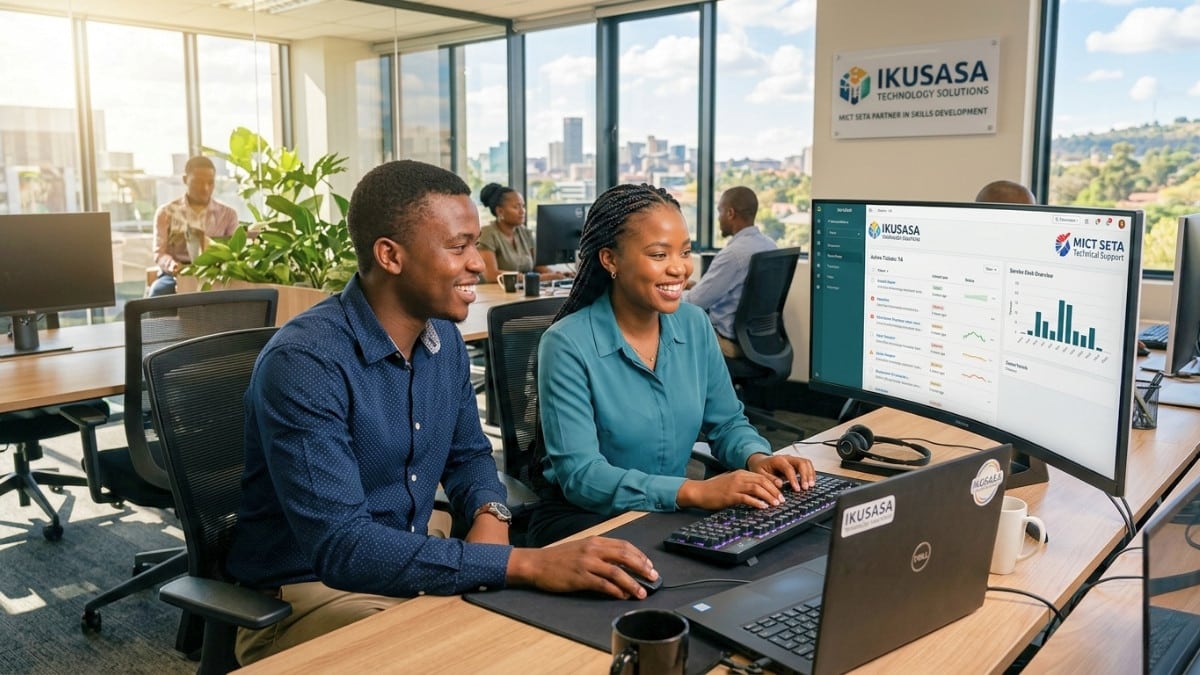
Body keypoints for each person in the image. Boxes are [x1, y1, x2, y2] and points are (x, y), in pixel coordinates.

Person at [225, 160, 657, 666]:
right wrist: (521, 564)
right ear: (391, 255)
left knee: (564, 631)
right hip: (312, 593)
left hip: (414, 556)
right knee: (480, 655)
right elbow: (344, 548)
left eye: (475, 244)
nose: (477, 263)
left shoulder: (442, 339)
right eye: (458, 246)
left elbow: (469, 454)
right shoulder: (306, 363)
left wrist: (491, 513)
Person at [526, 183, 817, 547]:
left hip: (667, 510)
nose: (680, 268)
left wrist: (756, 458)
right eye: (659, 254)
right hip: (587, 521)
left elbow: (727, 422)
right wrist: (695, 492)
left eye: (685, 252)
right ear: (610, 260)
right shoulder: (567, 343)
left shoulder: (694, 324)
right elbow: (582, 476)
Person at [684, 186, 777, 357]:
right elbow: (741, 293)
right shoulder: (769, 245)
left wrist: (672, 293)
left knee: (670, 319)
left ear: (730, 213)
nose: (718, 218)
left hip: (728, 342)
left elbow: (694, 303)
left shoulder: (733, 255)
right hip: (758, 341)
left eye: (719, 211)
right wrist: (696, 287)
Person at [148, 155, 238, 296]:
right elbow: (159, 253)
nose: (205, 188)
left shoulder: (228, 215)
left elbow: (234, 252)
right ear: (185, 180)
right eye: (198, 182)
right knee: (158, 291)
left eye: (210, 183)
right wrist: (173, 266)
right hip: (177, 273)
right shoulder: (166, 213)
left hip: (215, 272)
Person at [477, 182, 568, 283]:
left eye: (523, 206)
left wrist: (557, 275)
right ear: (500, 211)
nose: (522, 211)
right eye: (516, 207)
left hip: (522, 289)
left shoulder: (525, 233)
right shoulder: (487, 234)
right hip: (496, 291)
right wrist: (538, 278)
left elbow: (538, 266)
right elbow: (491, 275)